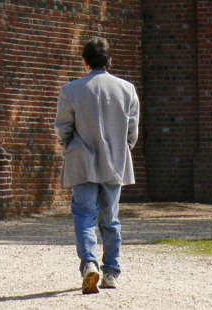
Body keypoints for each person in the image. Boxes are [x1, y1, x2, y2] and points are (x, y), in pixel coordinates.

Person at [54, 37, 139, 294]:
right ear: (109, 60)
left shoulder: (71, 90)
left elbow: (62, 129)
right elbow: (132, 133)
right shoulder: (127, 89)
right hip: (115, 161)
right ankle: (111, 272)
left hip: (82, 162)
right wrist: (121, 150)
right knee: (110, 218)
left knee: (84, 216)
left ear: (85, 61)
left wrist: (70, 147)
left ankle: (89, 264)